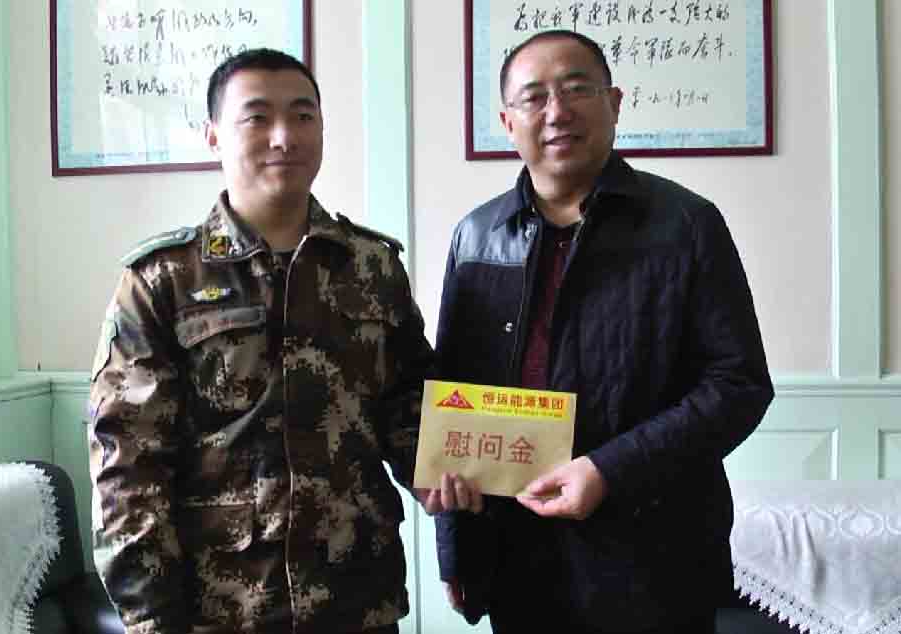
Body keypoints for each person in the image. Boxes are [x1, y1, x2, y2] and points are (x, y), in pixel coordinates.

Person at [88, 47, 481, 634]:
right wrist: (152, 618)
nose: (284, 136)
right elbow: (127, 467)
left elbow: (407, 405)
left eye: (302, 116)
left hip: (356, 598)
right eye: (257, 117)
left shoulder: (370, 266)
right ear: (214, 135)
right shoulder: (164, 279)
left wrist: (446, 469)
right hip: (219, 609)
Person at [434, 30, 773, 633]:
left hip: (655, 557)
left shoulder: (686, 225)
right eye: (534, 97)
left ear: (614, 104)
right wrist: (457, 550)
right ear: (508, 122)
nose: (557, 112)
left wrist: (608, 471)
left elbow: (738, 383)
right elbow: (456, 401)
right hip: (519, 559)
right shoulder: (477, 236)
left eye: (576, 89)